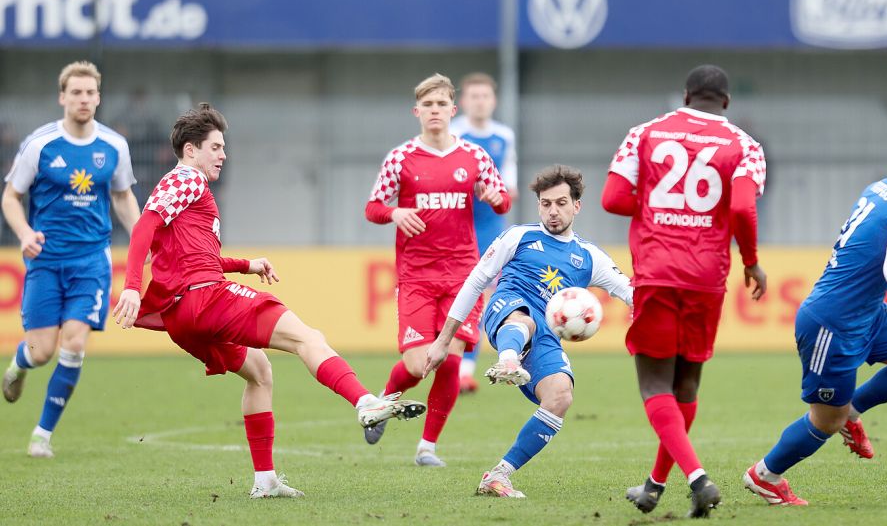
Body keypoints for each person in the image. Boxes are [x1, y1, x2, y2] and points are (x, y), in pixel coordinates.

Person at [112, 103, 425, 498]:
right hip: (206, 298)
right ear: (190, 150)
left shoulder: (181, 191)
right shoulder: (187, 179)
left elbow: (190, 257)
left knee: (260, 372)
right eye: (215, 147)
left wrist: (246, 264)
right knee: (308, 337)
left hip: (181, 316)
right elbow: (144, 226)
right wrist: (130, 285)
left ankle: (265, 481)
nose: (223, 155)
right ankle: (365, 402)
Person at [743, 134, 887, 506]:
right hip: (833, 322)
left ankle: (852, 411)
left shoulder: (881, 187)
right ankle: (765, 475)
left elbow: (871, 249)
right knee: (825, 421)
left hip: (868, 311)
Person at [602, 64, 767, 518]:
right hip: (707, 276)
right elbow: (742, 209)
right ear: (726, 102)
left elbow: (612, 199)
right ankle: (654, 486)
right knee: (687, 383)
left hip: (657, 270)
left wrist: (656, 206)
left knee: (655, 384)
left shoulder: (644, 133)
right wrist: (751, 261)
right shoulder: (746, 146)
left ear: (686, 95)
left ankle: (698, 480)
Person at [425, 164, 633, 498]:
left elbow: (630, 292)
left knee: (560, 396)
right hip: (507, 308)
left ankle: (498, 475)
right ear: (538, 206)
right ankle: (507, 360)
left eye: (561, 203)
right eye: (546, 204)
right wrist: (443, 340)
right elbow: (476, 281)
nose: (553, 211)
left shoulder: (588, 256)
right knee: (525, 321)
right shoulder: (519, 236)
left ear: (577, 206)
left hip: (546, 334)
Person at [364, 73, 511, 466]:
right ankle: (383, 400)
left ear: (452, 110)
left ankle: (427, 447)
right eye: (427, 105)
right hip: (416, 275)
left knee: (449, 358)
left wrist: (494, 198)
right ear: (417, 111)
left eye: (441, 104)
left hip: (463, 274)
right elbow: (373, 207)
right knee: (418, 365)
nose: (434, 110)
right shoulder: (401, 158)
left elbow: (502, 201)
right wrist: (394, 213)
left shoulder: (475, 156)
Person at [1, 61, 141, 458]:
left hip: (92, 261)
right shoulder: (40, 144)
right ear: (62, 97)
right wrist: (25, 234)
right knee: (42, 350)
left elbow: (122, 196)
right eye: (76, 92)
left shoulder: (114, 146)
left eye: (90, 93)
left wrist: (141, 238)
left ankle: (41, 435)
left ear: (98, 98)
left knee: (75, 342)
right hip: (46, 261)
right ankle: (19, 365)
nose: (83, 99)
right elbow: (11, 197)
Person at [449, 72, 519, 394]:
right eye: (474, 96)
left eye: (485, 96)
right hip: (456, 228)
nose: (480, 102)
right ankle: (449, 362)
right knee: (457, 297)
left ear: (494, 101)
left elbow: (509, 186)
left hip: (491, 228)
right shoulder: (453, 134)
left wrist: (497, 191)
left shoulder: (504, 136)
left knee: (483, 296)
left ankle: (465, 370)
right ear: (463, 102)